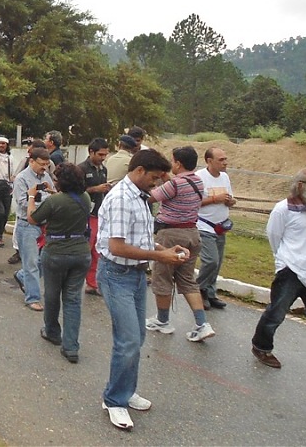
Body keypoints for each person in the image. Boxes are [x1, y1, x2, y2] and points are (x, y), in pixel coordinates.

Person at [96, 149, 190, 430]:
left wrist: (164, 248)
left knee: (136, 338)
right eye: (154, 178)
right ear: (138, 171)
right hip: (116, 275)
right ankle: (114, 400)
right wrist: (160, 258)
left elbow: (141, 239)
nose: (157, 184)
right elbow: (117, 247)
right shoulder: (123, 199)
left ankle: (123, 389)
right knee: (127, 340)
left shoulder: (139, 197)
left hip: (135, 275)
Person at [251, 168, 306, 392]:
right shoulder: (283, 209)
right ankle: (261, 346)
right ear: (301, 186)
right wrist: (283, 263)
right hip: (291, 270)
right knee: (276, 313)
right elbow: (274, 237)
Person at [145, 146, 216, 342]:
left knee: (163, 276)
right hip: (192, 233)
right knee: (187, 280)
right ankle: (202, 323)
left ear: (178, 163)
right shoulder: (197, 181)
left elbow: (151, 197)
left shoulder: (175, 184)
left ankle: (162, 320)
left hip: (171, 234)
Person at [28, 162, 91, 363]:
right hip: (81, 251)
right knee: (73, 299)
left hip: (56, 252)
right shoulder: (85, 197)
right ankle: (71, 346)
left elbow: (33, 218)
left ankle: (52, 332)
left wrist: (31, 196)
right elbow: (67, 201)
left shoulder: (54, 201)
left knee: (53, 295)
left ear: (61, 181)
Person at [12, 147, 55, 311]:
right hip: (27, 224)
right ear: (31, 161)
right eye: (41, 164)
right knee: (31, 263)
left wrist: (43, 200)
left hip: (44, 224)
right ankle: (33, 298)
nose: (44, 167)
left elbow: (53, 194)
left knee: (44, 261)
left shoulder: (46, 177)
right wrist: (44, 201)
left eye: (46, 164)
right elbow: (23, 202)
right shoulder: (22, 179)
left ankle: (22, 276)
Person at [195, 147, 236, 310]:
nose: (225, 162)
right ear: (209, 161)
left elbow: (229, 197)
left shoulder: (225, 177)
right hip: (204, 225)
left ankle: (210, 293)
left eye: (225, 159)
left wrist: (229, 201)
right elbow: (193, 202)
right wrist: (214, 199)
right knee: (211, 260)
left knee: (217, 263)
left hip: (220, 226)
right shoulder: (199, 177)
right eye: (221, 160)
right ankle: (199, 289)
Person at [78, 138, 110, 295]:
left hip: (99, 213)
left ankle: (93, 283)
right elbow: (76, 191)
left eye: (105, 155)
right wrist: (95, 189)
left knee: (97, 251)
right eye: (100, 154)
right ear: (91, 152)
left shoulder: (103, 169)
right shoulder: (81, 169)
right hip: (85, 215)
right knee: (85, 250)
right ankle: (76, 282)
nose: (103, 158)